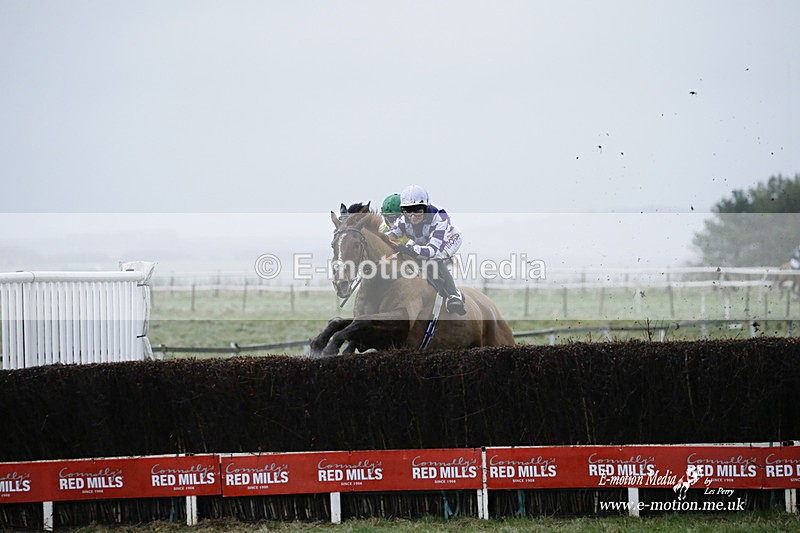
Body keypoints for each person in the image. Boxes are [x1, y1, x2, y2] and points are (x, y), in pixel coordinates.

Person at [386, 184, 466, 315]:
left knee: (435, 258)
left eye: (418, 210)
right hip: (424, 239)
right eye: (408, 210)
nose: (412, 215)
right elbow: (389, 237)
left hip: (449, 239)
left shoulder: (439, 217)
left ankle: (453, 294)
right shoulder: (402, 219)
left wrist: (410, 248)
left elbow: (432, 251)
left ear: (425, 207)